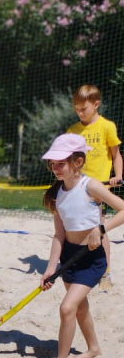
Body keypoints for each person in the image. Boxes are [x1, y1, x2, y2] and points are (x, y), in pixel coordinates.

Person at [40, 134, 124, 358]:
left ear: (77, 162)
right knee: (80, 307)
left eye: (60, 163)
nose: (55, 169)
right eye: (52, 164)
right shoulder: (56, 194)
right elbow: (59, 236)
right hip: (69, 257)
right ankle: (93, 348)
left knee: (67, 308)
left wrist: (101, 229)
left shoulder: (91, 186)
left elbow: (123, 210)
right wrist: (50, 268)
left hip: (91, 259)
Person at [67, 84, 123, 290]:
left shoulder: (107, 126)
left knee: (98, 227)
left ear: (96, 104)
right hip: (77, 187)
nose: (80, 113)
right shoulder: (73, 130)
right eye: (76, 109)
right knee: (77, 226)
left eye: (84, 109)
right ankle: (82, 265)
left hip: (99, 188)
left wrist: (117, 176)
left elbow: (116, 155)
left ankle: (105, 272)